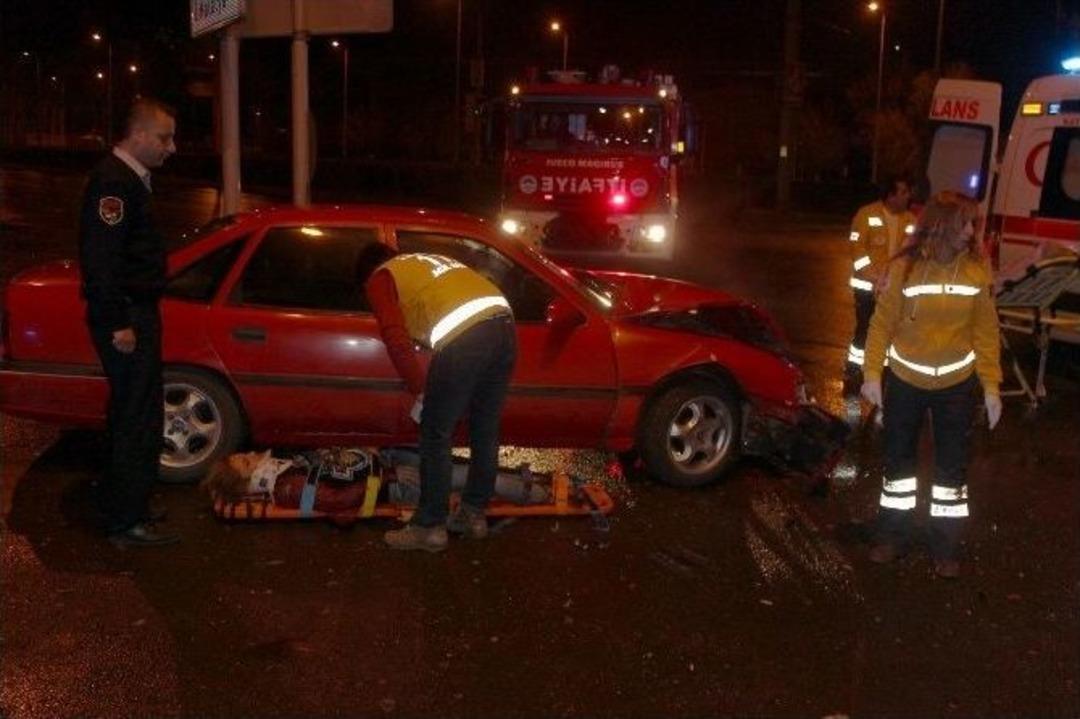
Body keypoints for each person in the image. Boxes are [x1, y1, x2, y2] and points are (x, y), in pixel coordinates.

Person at [860, 191, 1003, 579]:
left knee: (951, 472)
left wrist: (991, 385)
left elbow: (986, 332)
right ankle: (892, 537)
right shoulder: (904, 269)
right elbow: (881, 325)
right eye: (967, 222)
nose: (972, 231)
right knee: (898, 467)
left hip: (957, 386)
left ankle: (945, 546)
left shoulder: (976, 269)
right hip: (906, 382)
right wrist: (872, 374)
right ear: (943, 224)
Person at [355, 244, 517, 552]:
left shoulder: (380, 276)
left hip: (467, 336)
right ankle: (473, 516)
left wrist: (420, 390)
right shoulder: (426, 260)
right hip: (505, 327)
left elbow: (395, 337)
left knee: (434, 433)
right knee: (484, 428)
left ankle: (429, 526)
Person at [79, 98, 178, 547]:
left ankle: (130, 505)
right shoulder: (113, 185)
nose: (170, 147)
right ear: (137, 135)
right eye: (163, 137)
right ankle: (124, 519)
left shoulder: (131, 181)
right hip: (126, 316)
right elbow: (101, 260)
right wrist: (118, 320)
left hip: (136, 312)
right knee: (135, 416)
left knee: (137, 411)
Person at [845, 176, 916, 387]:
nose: (907, 196)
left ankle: (881, 371)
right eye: (903, 192)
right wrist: (872, 275)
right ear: (890, 195)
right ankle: (854, 369)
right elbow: (857, 248)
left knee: (889, 330)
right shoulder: (866, 214)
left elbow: (912, 252)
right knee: (865, 328)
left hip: (893, 288)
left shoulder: (911, 220)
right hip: (867, 286)